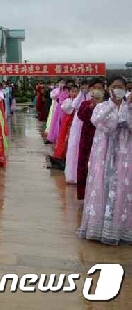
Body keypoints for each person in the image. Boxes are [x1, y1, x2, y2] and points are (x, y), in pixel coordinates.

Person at [77, 76, 131, 245]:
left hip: (124, 153)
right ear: (109, 89)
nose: (117, 90)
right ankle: (97, 227)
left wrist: (126, 107)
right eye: (114, 86)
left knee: (121, 186)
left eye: (120, 86)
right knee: (101, 186)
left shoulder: (129, 108)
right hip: (103, 153)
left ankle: (121, 227)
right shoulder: (102, 106)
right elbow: (98, 122)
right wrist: (114, 106)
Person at [76, 78, 105, 200]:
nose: (97, 90)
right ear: (90, 89)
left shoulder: (108, 104)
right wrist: (93, 105)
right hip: (88, 138)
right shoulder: (86, 104)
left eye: (100, 88)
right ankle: (85, 195)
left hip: (103, 138)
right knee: (85, 165)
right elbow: (81, 116)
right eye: (95, 88)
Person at [64, 82, 91, 184]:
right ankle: (72, 175)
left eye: (86, 87)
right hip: (77, 123)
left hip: (87, 123)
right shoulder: (79, 97)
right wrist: (80, 95)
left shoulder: (90, 96)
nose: (85, 88)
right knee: (73, 147)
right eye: (83, 87)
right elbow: (74, 105)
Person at [50, 84, 80, 169]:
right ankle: (60, 157)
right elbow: (66, 109)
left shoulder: (80, 101)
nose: (74, 93)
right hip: (67, 124)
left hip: (76, 124)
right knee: (64, 139)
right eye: (72, 91)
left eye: (76, 91)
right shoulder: (67, 101)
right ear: (69, 92)